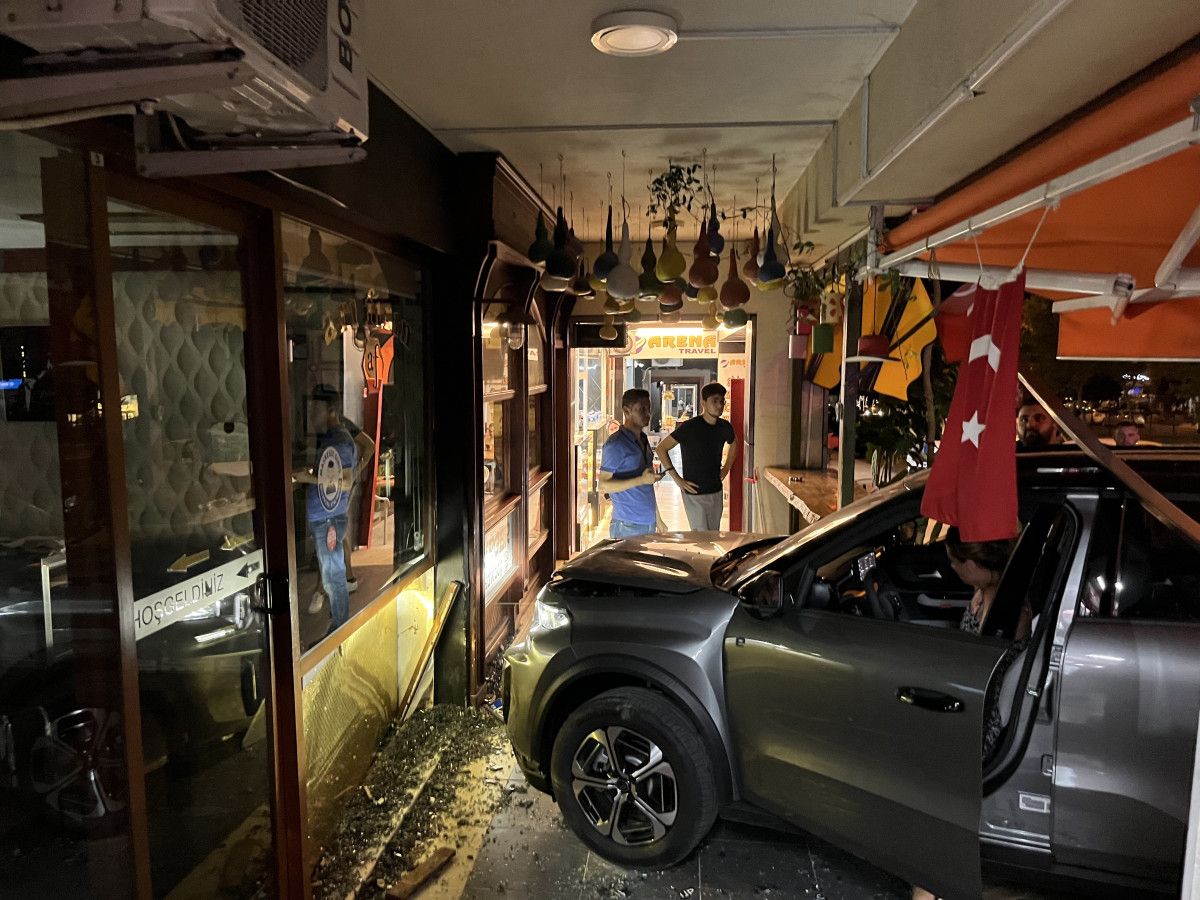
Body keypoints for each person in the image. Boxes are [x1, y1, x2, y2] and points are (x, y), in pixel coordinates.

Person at [293, 384, 357, 632]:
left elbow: (346, 481)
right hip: (326, 516)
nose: (311, 413)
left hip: (329, 518)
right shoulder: (331, 438)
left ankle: (339, 630)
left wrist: (308, 478)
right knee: (331, 573)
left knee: (333, 576)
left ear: (331, 410)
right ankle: (338, 628)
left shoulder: (339, 440)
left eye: (315, 408)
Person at [655, 382, 738, 531]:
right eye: (715, 401)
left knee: (714, 534)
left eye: (722, 401)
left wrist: (726, 468)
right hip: (694, 492)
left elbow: (734, 444)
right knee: (700, 535)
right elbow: (661, 448)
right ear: (703, 403)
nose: (720, 405)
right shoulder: (689, 427)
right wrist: (677, 479)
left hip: (716, 490)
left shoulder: (725, 427)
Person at [599, 388, 663, 538]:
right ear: (627, 411)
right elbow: (603, 485)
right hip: (627, 524)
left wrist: (658, 518)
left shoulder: (643, 439)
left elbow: (647, 485)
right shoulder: (616, 443)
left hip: (648, 521)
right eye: (642, 409)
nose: (647, 413)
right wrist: (640, 480)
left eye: (649, 408)